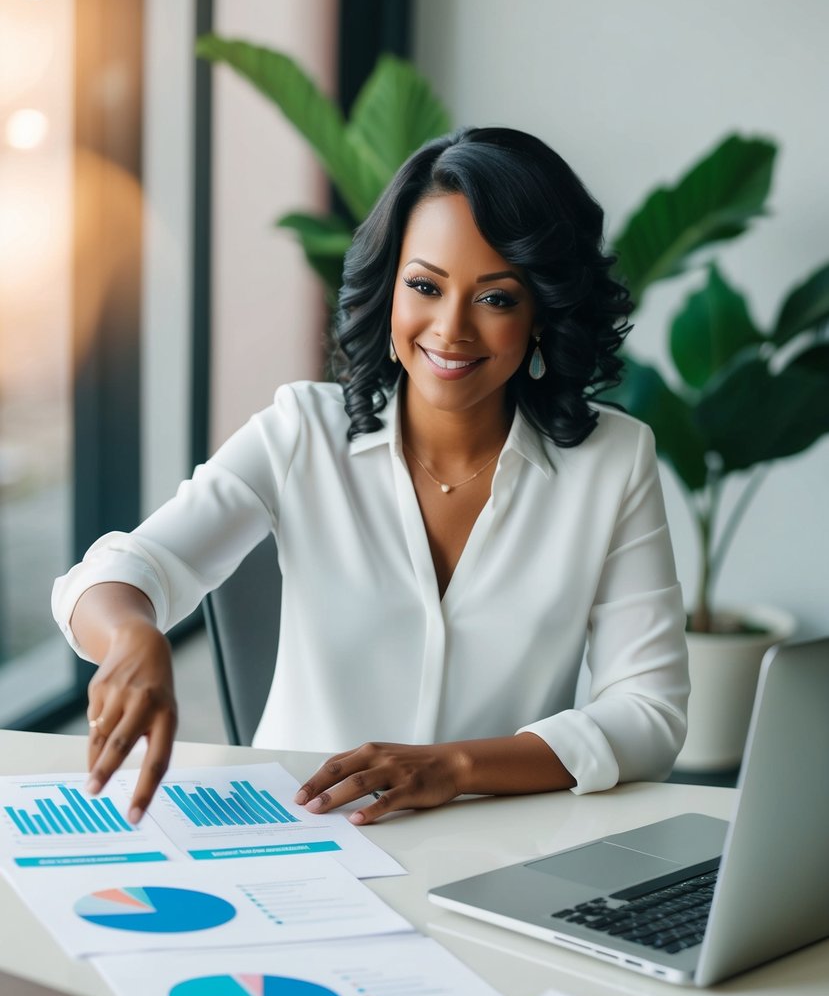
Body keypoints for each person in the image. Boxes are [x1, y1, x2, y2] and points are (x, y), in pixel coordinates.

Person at [52, 126, 689, 827]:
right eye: (425, 286)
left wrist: (455, 767)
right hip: (296, 841)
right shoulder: (304, 431)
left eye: (496, 298)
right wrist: (132, 637)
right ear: (390, 289)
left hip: (497, 850)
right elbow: (123, 570)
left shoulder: (612, 461)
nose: (450, 329)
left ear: (542, 313)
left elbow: (648, 711)